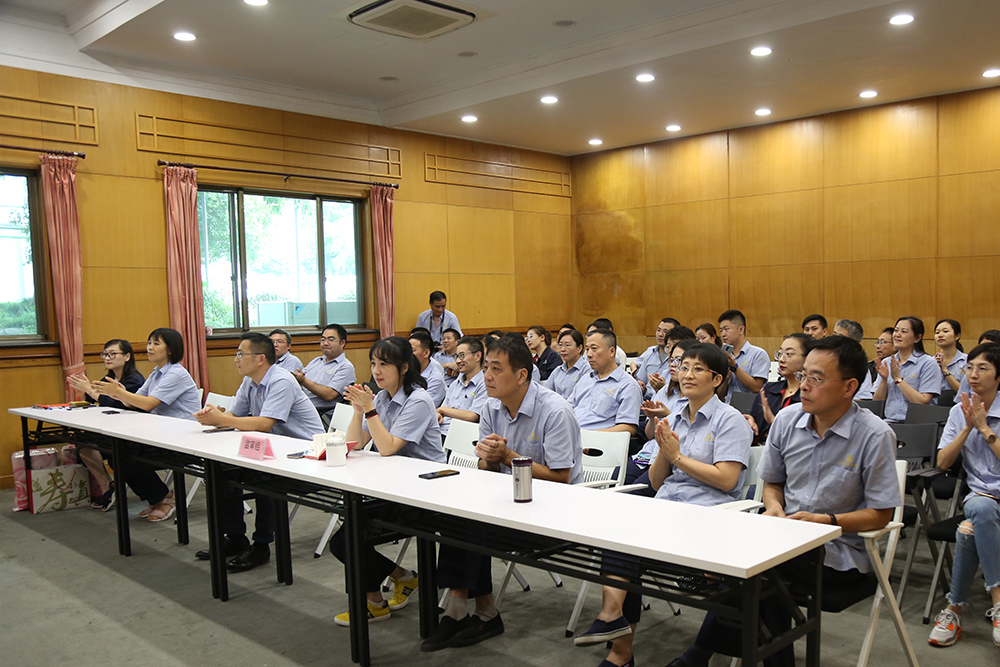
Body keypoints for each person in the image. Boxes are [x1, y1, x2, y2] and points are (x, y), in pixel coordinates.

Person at [666, 336, 900, 667]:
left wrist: (828, 522)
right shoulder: (788, 421)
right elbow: (773, 483)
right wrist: (773, 506)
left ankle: (696, 656)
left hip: (840, 551)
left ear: (849, 387)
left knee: (760, 571)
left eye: (816, 378)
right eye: (803, 375)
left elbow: (881, 514)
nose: (803, 385)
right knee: (759, 570)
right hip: (783, 538)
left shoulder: (874, 435)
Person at [575, 343, 752, 667]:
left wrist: (677, 457)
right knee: (619, 526)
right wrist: (663, 448)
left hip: (707, 516)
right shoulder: (678, 418)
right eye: (684, 367)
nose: (687, 374)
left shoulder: (730, 421)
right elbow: (657, 482)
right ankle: (615, 633)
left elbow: (727, 480)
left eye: (698, 369)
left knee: (627, 541)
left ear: (717, 379)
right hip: (668, 507)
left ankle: (616, 638)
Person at [421, 335, 583, 652]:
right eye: (486, 369)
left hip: (556, 512)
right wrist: (488, 459)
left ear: (522, 375)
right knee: (457, 515)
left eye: (496, 369)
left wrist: (507, 457)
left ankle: (470, 612)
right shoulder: (491, 406)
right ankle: (475, 610)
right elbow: (487, 470)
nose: (488, 377)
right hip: (508, 503)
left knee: (473, 524)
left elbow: (561, 479)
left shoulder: (554, 412)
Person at [330, 336, 445, 626]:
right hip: (397, 486)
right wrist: (359, 412)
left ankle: (375, 601)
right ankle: (401, 579)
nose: (376, 370)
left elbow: (388, 447)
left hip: (428, 491)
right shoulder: (382, 397)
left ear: (404, 368)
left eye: (384, 364)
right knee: (348, 533)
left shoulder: (419, 400)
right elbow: (354, 443)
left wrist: (369, 410)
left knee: (349, 536)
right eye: (373, 363)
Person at [193, 333, 323, 572]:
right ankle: (235, 537)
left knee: (265, 479)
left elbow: (264, 424)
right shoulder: (249, 381)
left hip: (304, 455)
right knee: (221, 471)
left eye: (241, 354)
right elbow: (235, 416)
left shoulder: (281, 380)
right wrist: (214, 417)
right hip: (275, 450)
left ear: (260, 358)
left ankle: (262, 545)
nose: (236, 359)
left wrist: (222, 419)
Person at [927, 342, 1000, 649]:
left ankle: (953, 608)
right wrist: (967, 429)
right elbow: (943, 463)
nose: (973, 374)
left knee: (967, 531)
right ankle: (999, 600)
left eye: (983, 368)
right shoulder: (960, 411)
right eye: (970, 367)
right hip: (980, 496)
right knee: (981, 509)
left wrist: (985, 429)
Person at [95, 327, 200, 523]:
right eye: (149, 343)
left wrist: (119, 393)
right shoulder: (156, 373)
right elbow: (134, 401)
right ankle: (160, 498)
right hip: (162, 433)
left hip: (183, 437)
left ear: (170, 349)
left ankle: (164, 499)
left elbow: (148, 404)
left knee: (124, 452)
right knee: (115, 450)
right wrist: (117, 392)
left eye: (156, 343)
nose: (149, 348)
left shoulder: (176, 373)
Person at [67, 339, 145, 511]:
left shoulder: (134, 380)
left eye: (112, 354)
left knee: (109, 450)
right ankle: (108, 487)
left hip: (132, 431)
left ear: (127, 356)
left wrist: (89, 390)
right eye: (105, 354)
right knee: (82, 443)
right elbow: (94, 399)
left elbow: (116, 404)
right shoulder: (108, 378)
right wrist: (88, 389)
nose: (107, 358)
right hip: (113, 427)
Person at [627, 338, 699, 493]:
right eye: (671, 360)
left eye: (679, 361)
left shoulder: (696, 398)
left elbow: (692, 434)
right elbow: (649, 435)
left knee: (633, 493)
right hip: (647, 454)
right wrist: (653, 418)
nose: (673, 364)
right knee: (617, 480)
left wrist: (668, 416)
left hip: (670, 461)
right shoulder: (664, 392)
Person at [570, 328, 642, 435]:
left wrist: (592, 436)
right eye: (587, 349)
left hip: (597, 444)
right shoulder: (586, 379)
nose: (589, 354)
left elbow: (628, 427)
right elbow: (568, 409)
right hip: (570, 436)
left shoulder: (628, 386)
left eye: (594, 349)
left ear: (612, 351)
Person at [873, 316, 942, 422]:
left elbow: (923, 402)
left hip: (918, 424)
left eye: (904, 331)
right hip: (889, 421)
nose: (897, 335)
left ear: (917, 338)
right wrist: (884, 380)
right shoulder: (886, 362)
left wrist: (898, 379)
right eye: (896, 331)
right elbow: (877, 402)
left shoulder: (928, 363)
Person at [746, 333, 810, 444]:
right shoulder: (769, 390)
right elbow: (754, 419)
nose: (781, 359)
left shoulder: (810, 396)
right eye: (780, 353)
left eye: (789, 354)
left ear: (807, 358)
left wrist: (774, 422)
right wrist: (750, 422)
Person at [293, 324, 356, 417]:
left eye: (331, 340)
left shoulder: (346, 367)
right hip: (300, 405)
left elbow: (329, 395)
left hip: (319, 413)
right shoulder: (316, 361)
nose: (325, 343)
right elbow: (299, 377)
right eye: (323, 339)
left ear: (342, 343)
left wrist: (303, 381)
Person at [436, 336, 488, 437]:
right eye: (457, 357)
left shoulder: (485, 383)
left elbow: (472, 416)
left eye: (462, 356)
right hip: (441, 431)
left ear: (477, 356)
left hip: (461, 436)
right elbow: (443, 408)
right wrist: (439, 413)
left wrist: (441, 410)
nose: (458, 361)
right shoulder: (456, 384)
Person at [717, 309, 769, 404]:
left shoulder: (758, 354)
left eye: (726, 329)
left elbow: (757, 388)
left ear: (741, 329)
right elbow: (719, 396)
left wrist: (734, 367)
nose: (723, 334)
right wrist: (726, 378)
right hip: (728, 409)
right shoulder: (723, 356)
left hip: (750, 410)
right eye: (721, 330)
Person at [634, 318, 679, 397]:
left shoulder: (677, 360)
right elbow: (642, 380)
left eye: (665, 331)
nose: (660, 334)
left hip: (667, 399)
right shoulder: (649, 353)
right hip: (646, 400)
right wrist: (641, 386)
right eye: (658, 330)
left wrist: (663, 388)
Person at [832, 319, 874, 399]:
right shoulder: (823, 359)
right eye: (834, 335)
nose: (834, 340)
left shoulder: (858, 367)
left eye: (840, 337)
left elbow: (863, 400)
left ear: (853, 343)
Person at [546, 328, 589, 400]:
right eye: (560, 345)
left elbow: (583, 398)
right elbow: (546, 393)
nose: (562, 349)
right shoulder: (558, 370)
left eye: (567, 345)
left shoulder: (586, 369)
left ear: (579, 348)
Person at [410, 330, 446, 407]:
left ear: (426, 353)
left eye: (412, 350)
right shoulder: (407, 371)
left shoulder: (435, 379)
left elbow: (423, 407)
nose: (408, 354)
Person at [934, 319, 967, 394]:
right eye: (937, 332)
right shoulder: (930, 362)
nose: (940, 335)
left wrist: (945, 371)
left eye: (945, 331)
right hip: (934, 405)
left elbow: (966, 392)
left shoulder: (967, 361)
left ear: (957, 336)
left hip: (960, 404)